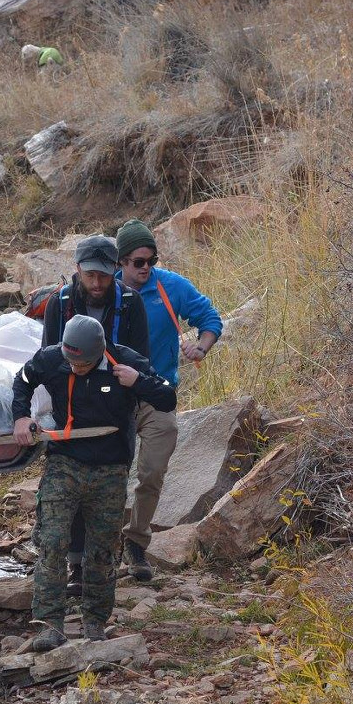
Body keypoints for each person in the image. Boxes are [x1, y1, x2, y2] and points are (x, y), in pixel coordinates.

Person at [12, 316, 176, 650]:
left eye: (83, 363)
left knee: (101, 549)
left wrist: (138, 382)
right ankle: (49, 623)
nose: (76, 368)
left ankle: (95, 621)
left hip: (110, 469)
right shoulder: (52, 358)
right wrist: (21, 416)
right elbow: (24, 380)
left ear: (99, 352)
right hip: (64, 462)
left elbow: (167, 398)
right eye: (71, 362)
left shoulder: (126, 362)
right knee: (53, 541)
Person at [40, 234, 150, 596]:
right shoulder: (61, 302)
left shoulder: (131, 303)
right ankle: (75, 566)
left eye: (104, 276)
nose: (98, 284)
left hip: (114, 408)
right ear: (77, 270)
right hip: (69, 407)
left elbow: (140, 357)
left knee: (108, 485)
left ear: (115, 270)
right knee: (67, 489)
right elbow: (47, 357)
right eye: (91, 276)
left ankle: (100, 566)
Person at [113, 219, 221, 580]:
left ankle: (137, 543)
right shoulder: (105, 290)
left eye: (151, 260)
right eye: (138, 262)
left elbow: (209, 318)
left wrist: (200, 347)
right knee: (112, 473)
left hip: (158, 394)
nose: (146, 268)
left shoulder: (169, 285)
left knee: (152, 471)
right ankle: (102, 544)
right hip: (113, 395)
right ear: (121, 262)